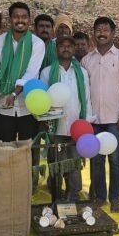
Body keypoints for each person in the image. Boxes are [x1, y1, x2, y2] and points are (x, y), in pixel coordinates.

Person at [81, 16, 119, 212]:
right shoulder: (87, 60)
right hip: (94, 119)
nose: (102, 33)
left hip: (114, 120)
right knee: (96, 160)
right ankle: (99, 197)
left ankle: (115, 198)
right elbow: (84, 90)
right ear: (94, 33)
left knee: (115, 160)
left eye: (106, 30)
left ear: (113, 33)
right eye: (98, 30)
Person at [40, 35, 95, 200]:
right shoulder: (47, 72)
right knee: (56, 162)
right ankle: (56, 195)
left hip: (76, 126)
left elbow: (86, 98)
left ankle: (73, 196)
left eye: (69, 46)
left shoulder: (82, 73)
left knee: (74, 164)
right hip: (55, 126)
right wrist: (45, 123)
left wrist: (87, 122)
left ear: (74, 49)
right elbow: (42, 101)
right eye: (62, 45)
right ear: (57, 49)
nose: (66, 48)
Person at [0, 2, 43, 150]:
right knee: (5, 151)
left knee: (27, 152)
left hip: (28, 106)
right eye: (16, 17)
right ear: (10, 19)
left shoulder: (37, 43)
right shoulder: (0, 41)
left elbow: (31, 72)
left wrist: (14, 93)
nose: (20, 20)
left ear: (29, 20)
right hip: (4, 105)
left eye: (24, 17)